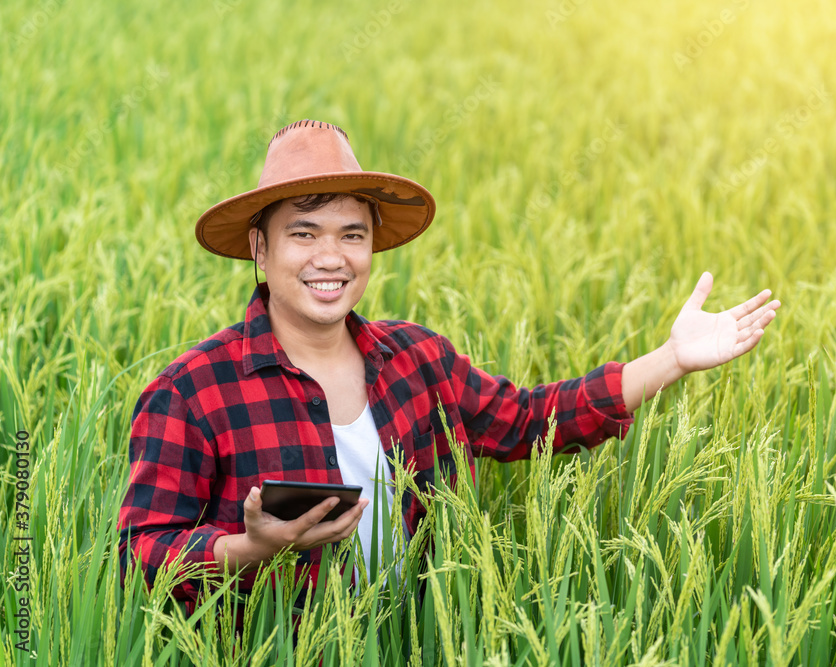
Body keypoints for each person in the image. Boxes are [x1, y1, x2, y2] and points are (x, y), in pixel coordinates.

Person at [117, 118, 780, 629]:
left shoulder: (416, 360)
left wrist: (673, 358)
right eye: (304, 233)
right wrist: (247, 547)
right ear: (259, 249)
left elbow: (530, 419)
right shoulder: (192, 391)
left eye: (352, 234)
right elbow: (136, 556)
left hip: (419, 639)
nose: (331, 257)